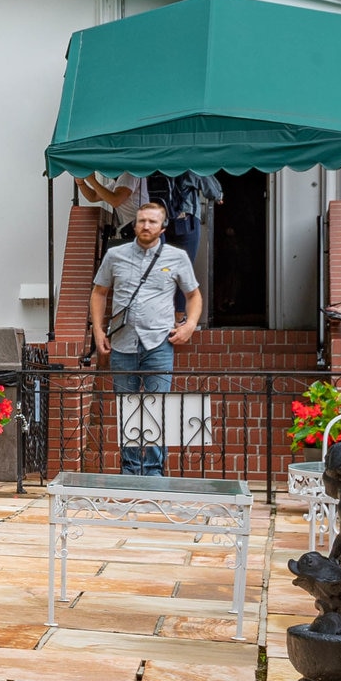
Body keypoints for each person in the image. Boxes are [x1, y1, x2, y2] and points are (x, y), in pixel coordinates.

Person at [90, 202, 203, 477]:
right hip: (122, 343)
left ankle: (153, 470)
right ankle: (130, 469)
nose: (146, 226)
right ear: (135, 224)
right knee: (128, 408)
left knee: (157, 408)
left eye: (152, 221)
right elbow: (99, 292)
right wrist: (98, 331)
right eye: (141, 220)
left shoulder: (176, 257)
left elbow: (193, 296)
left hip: (159, 344)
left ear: (163, 227)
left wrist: (189, 325)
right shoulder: (115, 255)